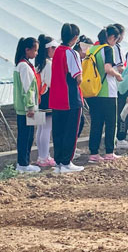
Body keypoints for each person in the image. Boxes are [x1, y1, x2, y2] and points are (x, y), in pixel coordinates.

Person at [50, 23, 85, 173]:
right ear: (75, 38)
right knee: (71, 130)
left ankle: (58, 161)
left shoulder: (57, 51)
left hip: (56, 96)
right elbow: (78, 77)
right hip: (70, 96)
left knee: (58, 130)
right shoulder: (71, 53)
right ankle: (66, 162)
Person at [85, 26, 124, 163]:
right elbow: (108, 69)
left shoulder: (92, 49)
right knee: (111, 122)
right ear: (112, 38)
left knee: (96, 123)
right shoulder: (108, 49)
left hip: (93, 91)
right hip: (107, 91)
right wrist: (118, 75)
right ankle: (109, 152)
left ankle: (94, 153)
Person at [13, 37, 41, 174]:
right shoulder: (24, 66)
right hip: (26, 109)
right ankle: (23, 164)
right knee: (26, 136)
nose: (36, 53)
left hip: (24, 108)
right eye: (35, 50)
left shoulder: (22, 65)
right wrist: (30, 106)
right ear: (27, 50)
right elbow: (27, 88)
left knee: (27, 135)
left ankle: (24, 162)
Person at [35, 34, 58, 168]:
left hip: (39, 97)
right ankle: (44, 157)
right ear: (48, 49)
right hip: (47, 97)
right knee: (46, 128)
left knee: (40, 128)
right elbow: (50, 82)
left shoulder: (38, 63)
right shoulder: (48, 64)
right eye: (53, 48)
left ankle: (41, 156)